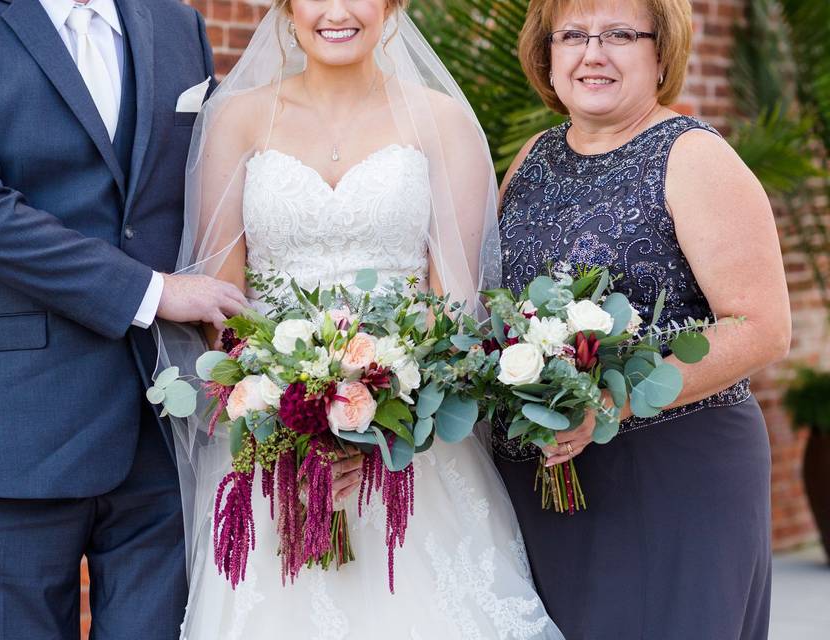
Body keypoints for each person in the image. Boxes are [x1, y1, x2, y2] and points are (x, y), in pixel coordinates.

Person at [154, 1, 564, 638]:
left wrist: (380, 417)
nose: (337, 11)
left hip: (411, 441)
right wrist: (287, 422)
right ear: (287, 8)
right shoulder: (236, 118)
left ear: (392, 5)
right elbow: (221, 299)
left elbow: (456, 305)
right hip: (273, 439)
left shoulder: (442, 121)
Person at [0, 0, 245, 637]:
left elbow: (205, 193)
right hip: (12, 439)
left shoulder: (177, 23)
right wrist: (152, 292)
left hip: (163, 437)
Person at [492, 1, 791, 638]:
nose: (592, 53)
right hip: (543, 473)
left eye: (621, 34)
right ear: (548, 53)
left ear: (662, 52)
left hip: (673, 473)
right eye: (572, 35)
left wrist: (606, 404)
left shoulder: (693, 157)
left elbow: (761, 325)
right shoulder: (532, 157)